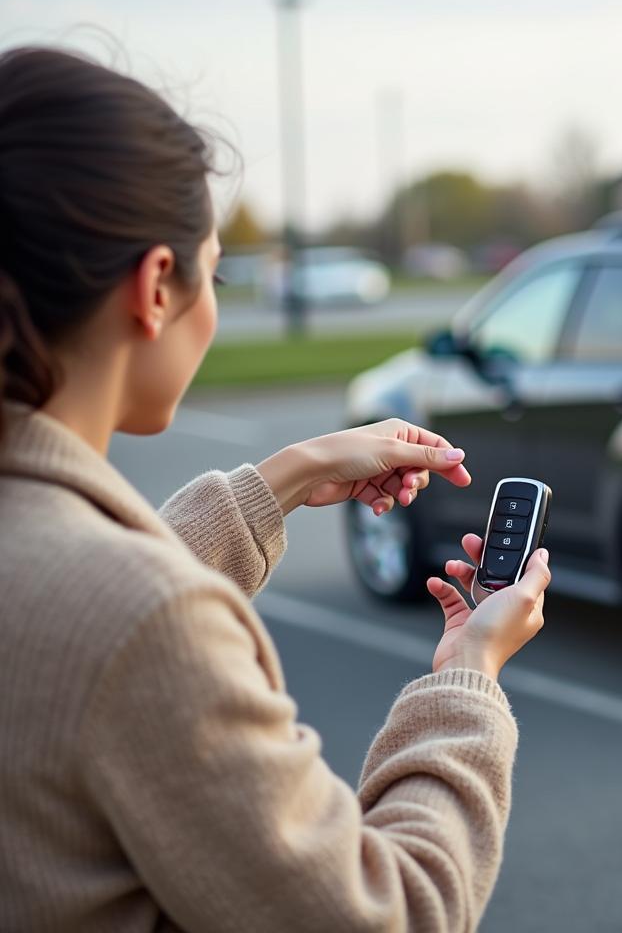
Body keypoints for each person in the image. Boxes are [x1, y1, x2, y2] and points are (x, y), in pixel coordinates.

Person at [0, 46, 550, 932]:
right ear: (154, 288)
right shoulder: (145, 626)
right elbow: (389, 914)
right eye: (211, 273)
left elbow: (63, 615)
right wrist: (468, 678)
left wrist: (287, 476)